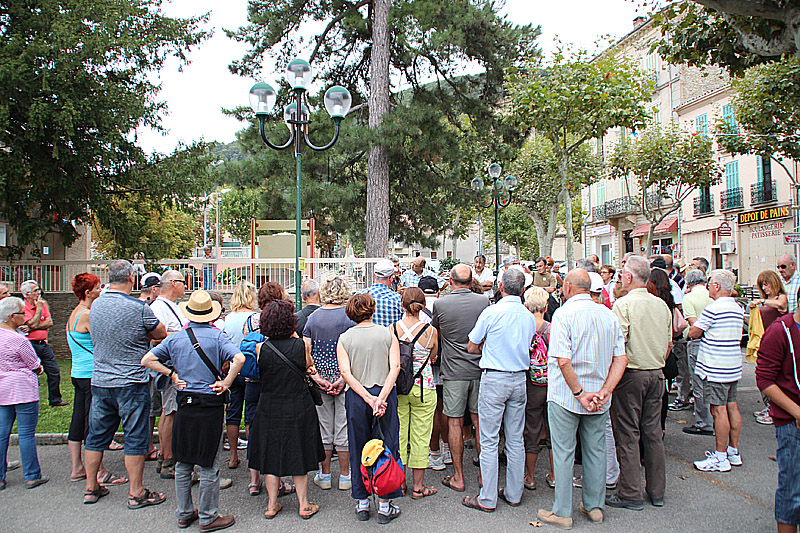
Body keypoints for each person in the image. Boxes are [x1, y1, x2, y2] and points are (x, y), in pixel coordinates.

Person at [142, 290, 244, 531]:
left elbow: (147, 359)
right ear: (211, 313)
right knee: (209, 462)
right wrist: (227, 382)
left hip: (185, 401)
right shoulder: (218, 337)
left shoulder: (176, 338)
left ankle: (184, 512)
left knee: (183, 461)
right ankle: (208, 516)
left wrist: (171, 374)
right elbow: (238, 358)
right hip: (210, 402)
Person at [537, 269, 628, 529]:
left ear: (567, 286)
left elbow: (562, 360)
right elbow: (621, 358)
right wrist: (605, 391)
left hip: (567, 395)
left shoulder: (563, 315)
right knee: (595, 451)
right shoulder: (608, 315)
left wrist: (579, 392)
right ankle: (594, 505)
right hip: (599, 395)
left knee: (564, 452)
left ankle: (562, 511)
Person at [84, 259, 167, 508]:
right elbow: (160, 333)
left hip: (100, 380)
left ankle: (91, 487)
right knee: (135, 437)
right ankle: (136, 492)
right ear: (132, 277)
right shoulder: (138, 308)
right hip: (131, 381)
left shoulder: (96, 306)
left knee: (96, 436)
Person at [463, 268, 535, 512]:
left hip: (495, 377)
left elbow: (472, 346)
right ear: (522, 289)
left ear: (501, 287)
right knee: (515, 438)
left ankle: (488, 496)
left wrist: (489, 349)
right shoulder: (528, 316)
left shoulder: (491, 312)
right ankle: (514, 493)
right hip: (519, 379)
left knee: (490, 438)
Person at [248, 299, 325, 520]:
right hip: (298, 404)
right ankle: (304, 504)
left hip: (269, 404)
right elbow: (309, 367)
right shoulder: (302, 345)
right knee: (298, 452)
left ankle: (272, 505)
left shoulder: (261, 348)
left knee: (271, 454)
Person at [607, 255, 671, 511]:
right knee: (653, 433)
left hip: (632, 374)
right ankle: (656, 490)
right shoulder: (661, 306)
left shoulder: (623, 305)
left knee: (628, 434)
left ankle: (630, 492)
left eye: (622, 274)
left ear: (630, 277)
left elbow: (617, 344)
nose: (620, 278)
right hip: (657, 373)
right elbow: (668, 344)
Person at [337, 293, 402, 524]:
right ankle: (385, 503)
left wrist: (366, 398)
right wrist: (380, 397)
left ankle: (362, 501)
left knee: (358, 445)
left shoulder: (344, 338)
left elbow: (346, 373)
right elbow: (395, 366)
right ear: (372, 309)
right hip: (383, 393)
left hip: (357, 397)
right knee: (386, 445)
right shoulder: (387, 334)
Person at [432, 264, 489, 492]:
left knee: (454, 421)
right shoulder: (483, 302)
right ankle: (485, 474)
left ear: (451, 280)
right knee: (480, 422)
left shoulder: (441, 304)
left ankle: (458, 475)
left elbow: (437, 331)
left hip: (454, 371)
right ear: (472, 280)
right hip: (480, 369)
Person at [66, 273, 126, 486]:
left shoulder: (74, 313)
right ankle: (99, 472)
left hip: (77, 373)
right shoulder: (87, 315)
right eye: (98, 288)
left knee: (78, 419)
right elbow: (106, 339)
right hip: (92, 373)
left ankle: (77, 467)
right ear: (88, 292)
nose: (101, 291)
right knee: (94, 422)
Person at [688, 269, 745, 472]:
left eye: (711, 283)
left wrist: (693, 328)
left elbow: (695, 331)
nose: (709, 286)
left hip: (715, 367)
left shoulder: (714, 308)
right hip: (732, 365)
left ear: (717, 286)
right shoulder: (737, 308)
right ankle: (733, 451)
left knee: (718, 410)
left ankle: (720, 457)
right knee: (732, 407)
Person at [304, 276, 355, 491]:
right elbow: (354, 351)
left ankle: (324, 475)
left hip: (321, 378)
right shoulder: (349, 318)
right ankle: (345, 475)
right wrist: (344, 378)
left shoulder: (313, 318)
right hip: (344, 377)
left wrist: (315, 377)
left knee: (324, 427)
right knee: (343, 427)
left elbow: (306, 351)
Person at [754, 299, 800, 533]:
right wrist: (796, 411)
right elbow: (764, 379)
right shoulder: (781, 331)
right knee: (792, 491)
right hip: (792, 423)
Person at [394, 287, 439, 500]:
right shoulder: (430, 331)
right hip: (424, 385)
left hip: (400, 386)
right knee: (421, 436)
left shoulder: (393, 330)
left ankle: (400, 483)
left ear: (402, 305)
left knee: (400, 433)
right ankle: (418, 486)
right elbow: (434, 356)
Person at [0, 296, 48, 490]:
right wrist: (39, 369)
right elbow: (34, 364)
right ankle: (31, 475)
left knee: (3, 433)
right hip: (23, 389)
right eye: (22, 314)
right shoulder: (19, 339)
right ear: (12, 317)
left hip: (3, 389)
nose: (25, 317)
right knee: (26, 433)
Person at [150, 269, 189, 480]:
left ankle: (166, 455)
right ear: (173, 283)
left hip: (177, 364)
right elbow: (157, 338)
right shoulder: (158, 308)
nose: (185, 286)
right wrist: (184, 335)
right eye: (183, 282)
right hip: (170, 367)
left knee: (171, 410)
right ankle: (168, 459)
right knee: (170, 411)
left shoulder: (170, 306)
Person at [221, 281, 258, 470]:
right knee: (251, 414)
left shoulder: (227, 320)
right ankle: (253, 455)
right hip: (251, 370)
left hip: (231, 369)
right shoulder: (255, 318)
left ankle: (233, 455)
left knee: (233, 413)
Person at [522, 287, 555, 492]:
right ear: (546, 306)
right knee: (554, 432)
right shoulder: (552, 329)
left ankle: (530, 476)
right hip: (551, 384)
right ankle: (554, 474)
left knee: (531, 429)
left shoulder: (523, 328)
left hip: (530, 384)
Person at [750, 270, 790, 425]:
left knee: (774, 378)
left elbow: (781, 305)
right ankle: (769, 406)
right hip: (764, 341)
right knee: (764, 376)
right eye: (762, 285)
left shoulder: (780, 297)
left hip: (778, 344)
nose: (765, 288)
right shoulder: (767, 300)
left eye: (766, 284)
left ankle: (775, 409)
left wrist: (761, 302)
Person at [20, 279, 66, 407]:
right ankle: (28, 401)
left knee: (54, 370)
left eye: (38, 289)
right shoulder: (23, 307)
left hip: (42, 343)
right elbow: (33, 322)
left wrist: (31, 328)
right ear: (27, 294)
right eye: (35, 291)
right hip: (29, 344)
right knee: (30, 372)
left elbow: (49, 322)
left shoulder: (43, 304)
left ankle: (55, 400)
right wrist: (38, 309)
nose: (38, 293)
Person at [681, 269, 716, 436]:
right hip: (715, 341)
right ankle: (716, 417)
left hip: (697, 341)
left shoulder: (688, 298)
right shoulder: (712, 295)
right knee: (712, 382)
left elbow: (694, 325)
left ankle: (703, 422)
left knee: (699, 383)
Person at [359, 258, 402, 327]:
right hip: (390, 336)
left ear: (374, 275)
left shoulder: (359, 295)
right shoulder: (398, 299)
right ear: (391, 278)